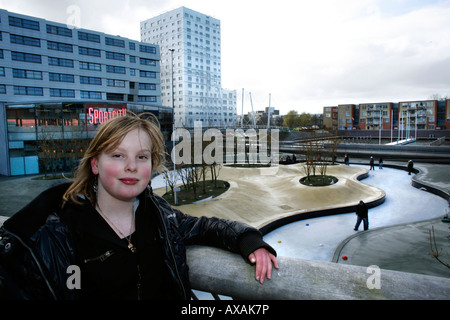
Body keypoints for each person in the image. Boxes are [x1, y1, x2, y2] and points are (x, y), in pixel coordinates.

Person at [0, 112, 278, 300]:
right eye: (118, 155)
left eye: (142, 157)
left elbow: (207, 226)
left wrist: (250, 241)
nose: (131, 166)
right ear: (95, 164)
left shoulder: (160, 216)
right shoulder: (53, 234)